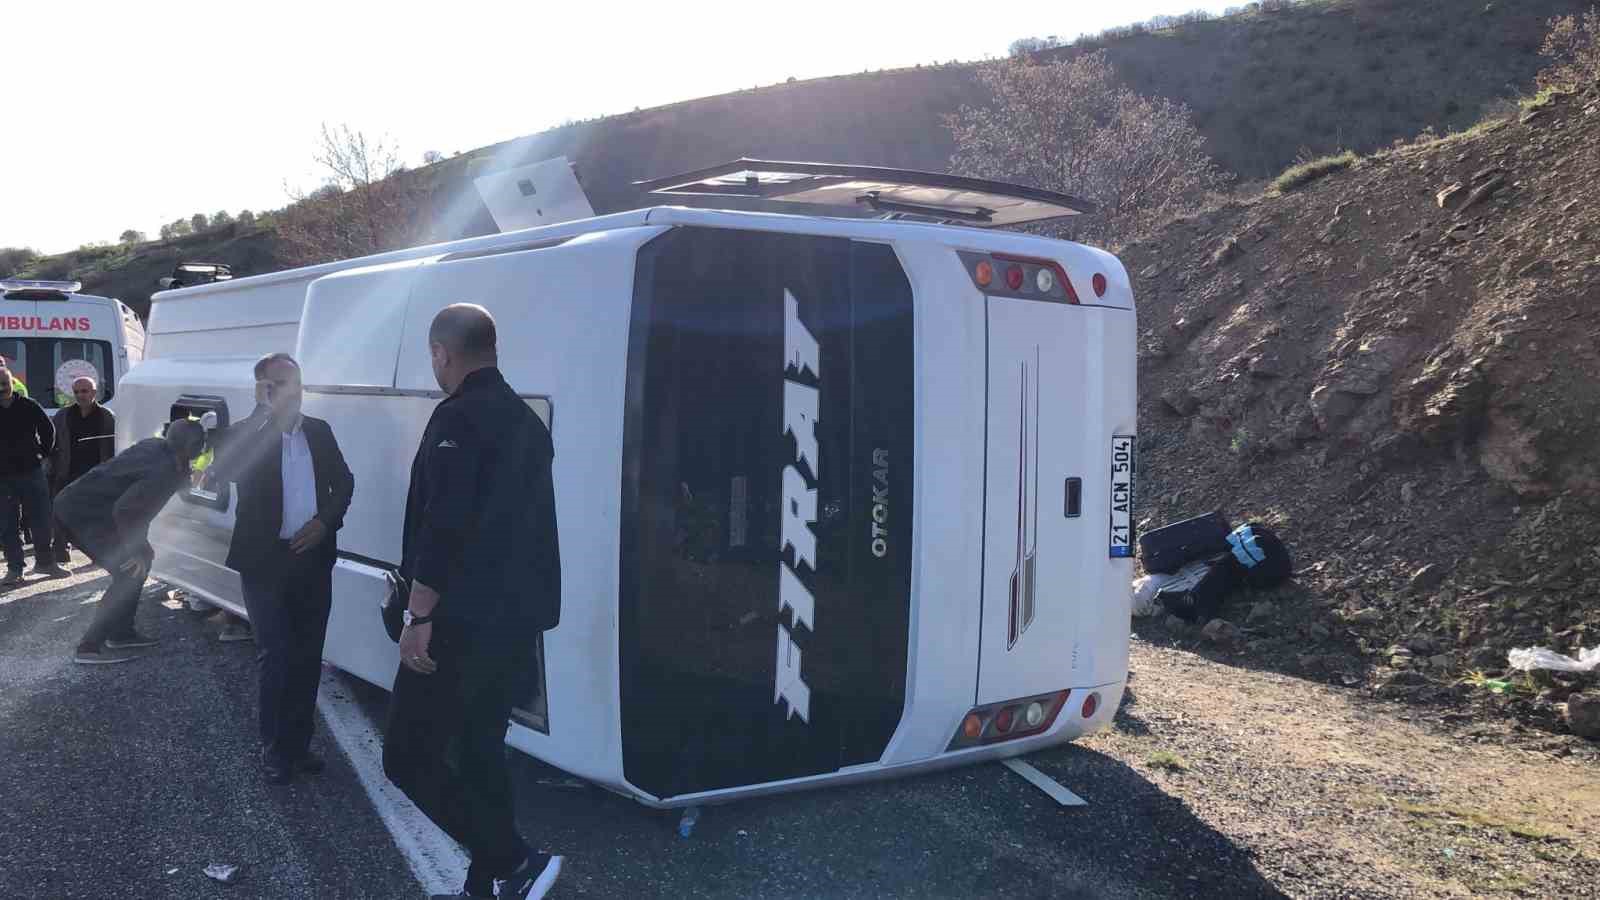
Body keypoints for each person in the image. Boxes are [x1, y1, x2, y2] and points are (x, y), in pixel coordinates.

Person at [383, 304, 563, 900]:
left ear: (443, 353)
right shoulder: (525, 420)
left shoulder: (458, 420)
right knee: (480, 749)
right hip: (513, 624)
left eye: (432, 358)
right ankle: (486, 885)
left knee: (407, 758)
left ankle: (512, 860)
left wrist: (420, 617)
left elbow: (445, 526)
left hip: (459, 624)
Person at [203, 352, 354, 785]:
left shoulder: (319, 432)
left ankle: (298, 746)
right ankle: (273, 750)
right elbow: (222, 472)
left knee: (307, 658)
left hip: (312, 560)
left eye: (298, 382)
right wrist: (260, 414)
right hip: (264, 563)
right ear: (265, 389)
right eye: (284, 383)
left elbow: (345, 483)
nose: (297, 390)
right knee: (277, 655)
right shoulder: (247, 434)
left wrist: (325, 523)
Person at [57, 418, 208, 663]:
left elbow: (161, 480)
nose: (203, 447)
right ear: (191, 446)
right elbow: (126, 511)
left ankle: (121, 632)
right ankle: (89, 647)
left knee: (141, 561)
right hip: (84, 514)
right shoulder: (165, 470)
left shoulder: (159, 448)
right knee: (128, 571)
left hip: (83, 506)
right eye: (201, 442)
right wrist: (135, 550)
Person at [0, 365, 68, 585]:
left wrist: (42, 453)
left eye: (4, 383)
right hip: (2, 477)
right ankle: (15, 569)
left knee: (41, 519)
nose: (1, 388)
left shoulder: (28, 405)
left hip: (31, 471)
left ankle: (46, 563)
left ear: (12, 383)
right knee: (8, 524)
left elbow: (48, 430)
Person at [48, 376, 116, 565]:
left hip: (96, 474)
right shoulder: (63, 415)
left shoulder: (107, 416)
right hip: (67, 472)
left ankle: (100, 553)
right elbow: (52, 443)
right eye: (77, 392)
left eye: (85, 391)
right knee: (60, 511)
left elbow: (112, 447)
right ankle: (60, 551)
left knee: (97, 515)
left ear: (94, 393)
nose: (80, 395)